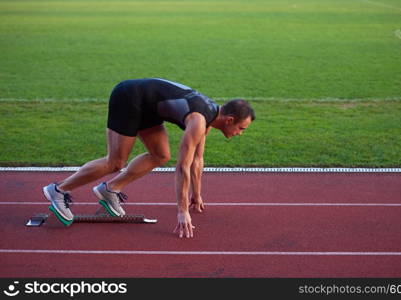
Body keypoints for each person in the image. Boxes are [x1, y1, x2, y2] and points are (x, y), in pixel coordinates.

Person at [43, 78, 255, 238]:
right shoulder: (199, 121)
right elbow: (183, 166)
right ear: (229, 120)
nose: (240, 133)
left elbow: (197, 160)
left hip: (148, 107)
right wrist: (181, 212)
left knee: (161, 155)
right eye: (241, 128)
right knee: (115, 162)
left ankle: (110, 189)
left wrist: (196, 195)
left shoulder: (209, 117)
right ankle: (59, 190)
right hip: (129, 97)